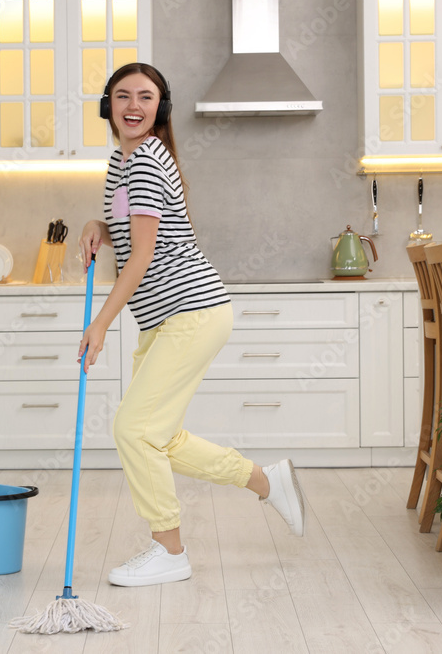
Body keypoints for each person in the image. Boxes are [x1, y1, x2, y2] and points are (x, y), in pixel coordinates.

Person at [77, 63, 306, 588]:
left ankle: (169, 550)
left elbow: (143, 257)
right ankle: (265, 481)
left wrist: (101, 323)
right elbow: (134, 234)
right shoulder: (122, 161)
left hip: (191, 311)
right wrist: (97, 225)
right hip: (166, 318)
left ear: (161, 107)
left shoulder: (146, 162)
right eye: (123, 95)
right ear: (107, 104)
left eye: (146, 96)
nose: (134, 105)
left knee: (134, 429)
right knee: (161, 436)